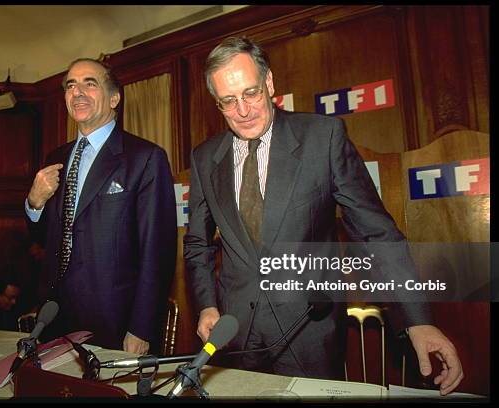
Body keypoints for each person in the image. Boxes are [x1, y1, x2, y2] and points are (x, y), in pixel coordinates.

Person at [183, 37, 463, 395]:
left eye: (251, 93)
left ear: (269, 83)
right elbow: (197, 243)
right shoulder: (206, 158)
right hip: (235, 334)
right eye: (228, 101)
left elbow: (375, 233)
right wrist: (207, 305)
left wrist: (417, 321)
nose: (243, 110)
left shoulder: (322, 137)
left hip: (309, 333)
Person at [25, 58, 176, 354]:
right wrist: (34, 202)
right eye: (70, 85)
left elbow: (157, 251)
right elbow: (42, 240)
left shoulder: (145, 157)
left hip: (115, 324)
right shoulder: (55, 158)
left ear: (114, 98)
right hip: (55, 319)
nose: (77, 92)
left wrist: (142, 327)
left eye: (89, 84)